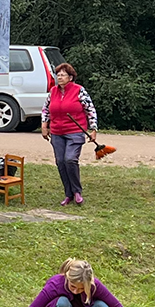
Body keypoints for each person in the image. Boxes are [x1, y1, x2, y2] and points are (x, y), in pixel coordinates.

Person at [40, 62, 97, 207]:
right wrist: (44, 125)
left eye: (63, 75)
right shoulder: (53, 91)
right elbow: (46, 109)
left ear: (70, 77)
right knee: (60, 162)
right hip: (57, 132)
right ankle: (68, 194)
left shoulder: (79, 90)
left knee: (70, 159)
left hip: (75, 131)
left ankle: (77, 192)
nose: (59, 77)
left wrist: (93, 129)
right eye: (58, 75)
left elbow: (90, 109)